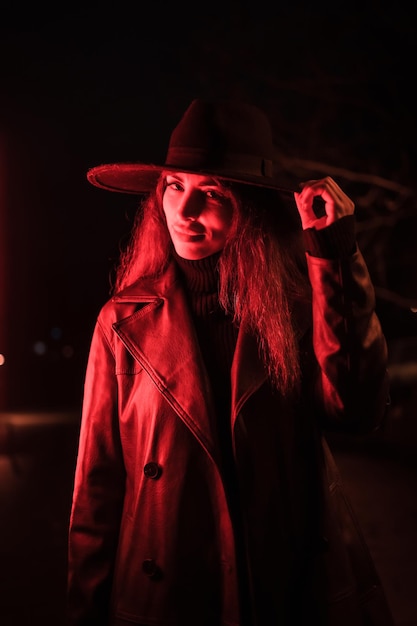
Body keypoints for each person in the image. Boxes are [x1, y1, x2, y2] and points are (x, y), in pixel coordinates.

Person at [67, 98, 394, 626]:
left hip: (287, 586)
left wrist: (333, 257)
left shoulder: (294, 307)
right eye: (174, 186)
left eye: (212, 193)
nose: (184, 210)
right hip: (164, 594)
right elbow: (96, 495)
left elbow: (354, 409)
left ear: (249, 210)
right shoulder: (122, 323)